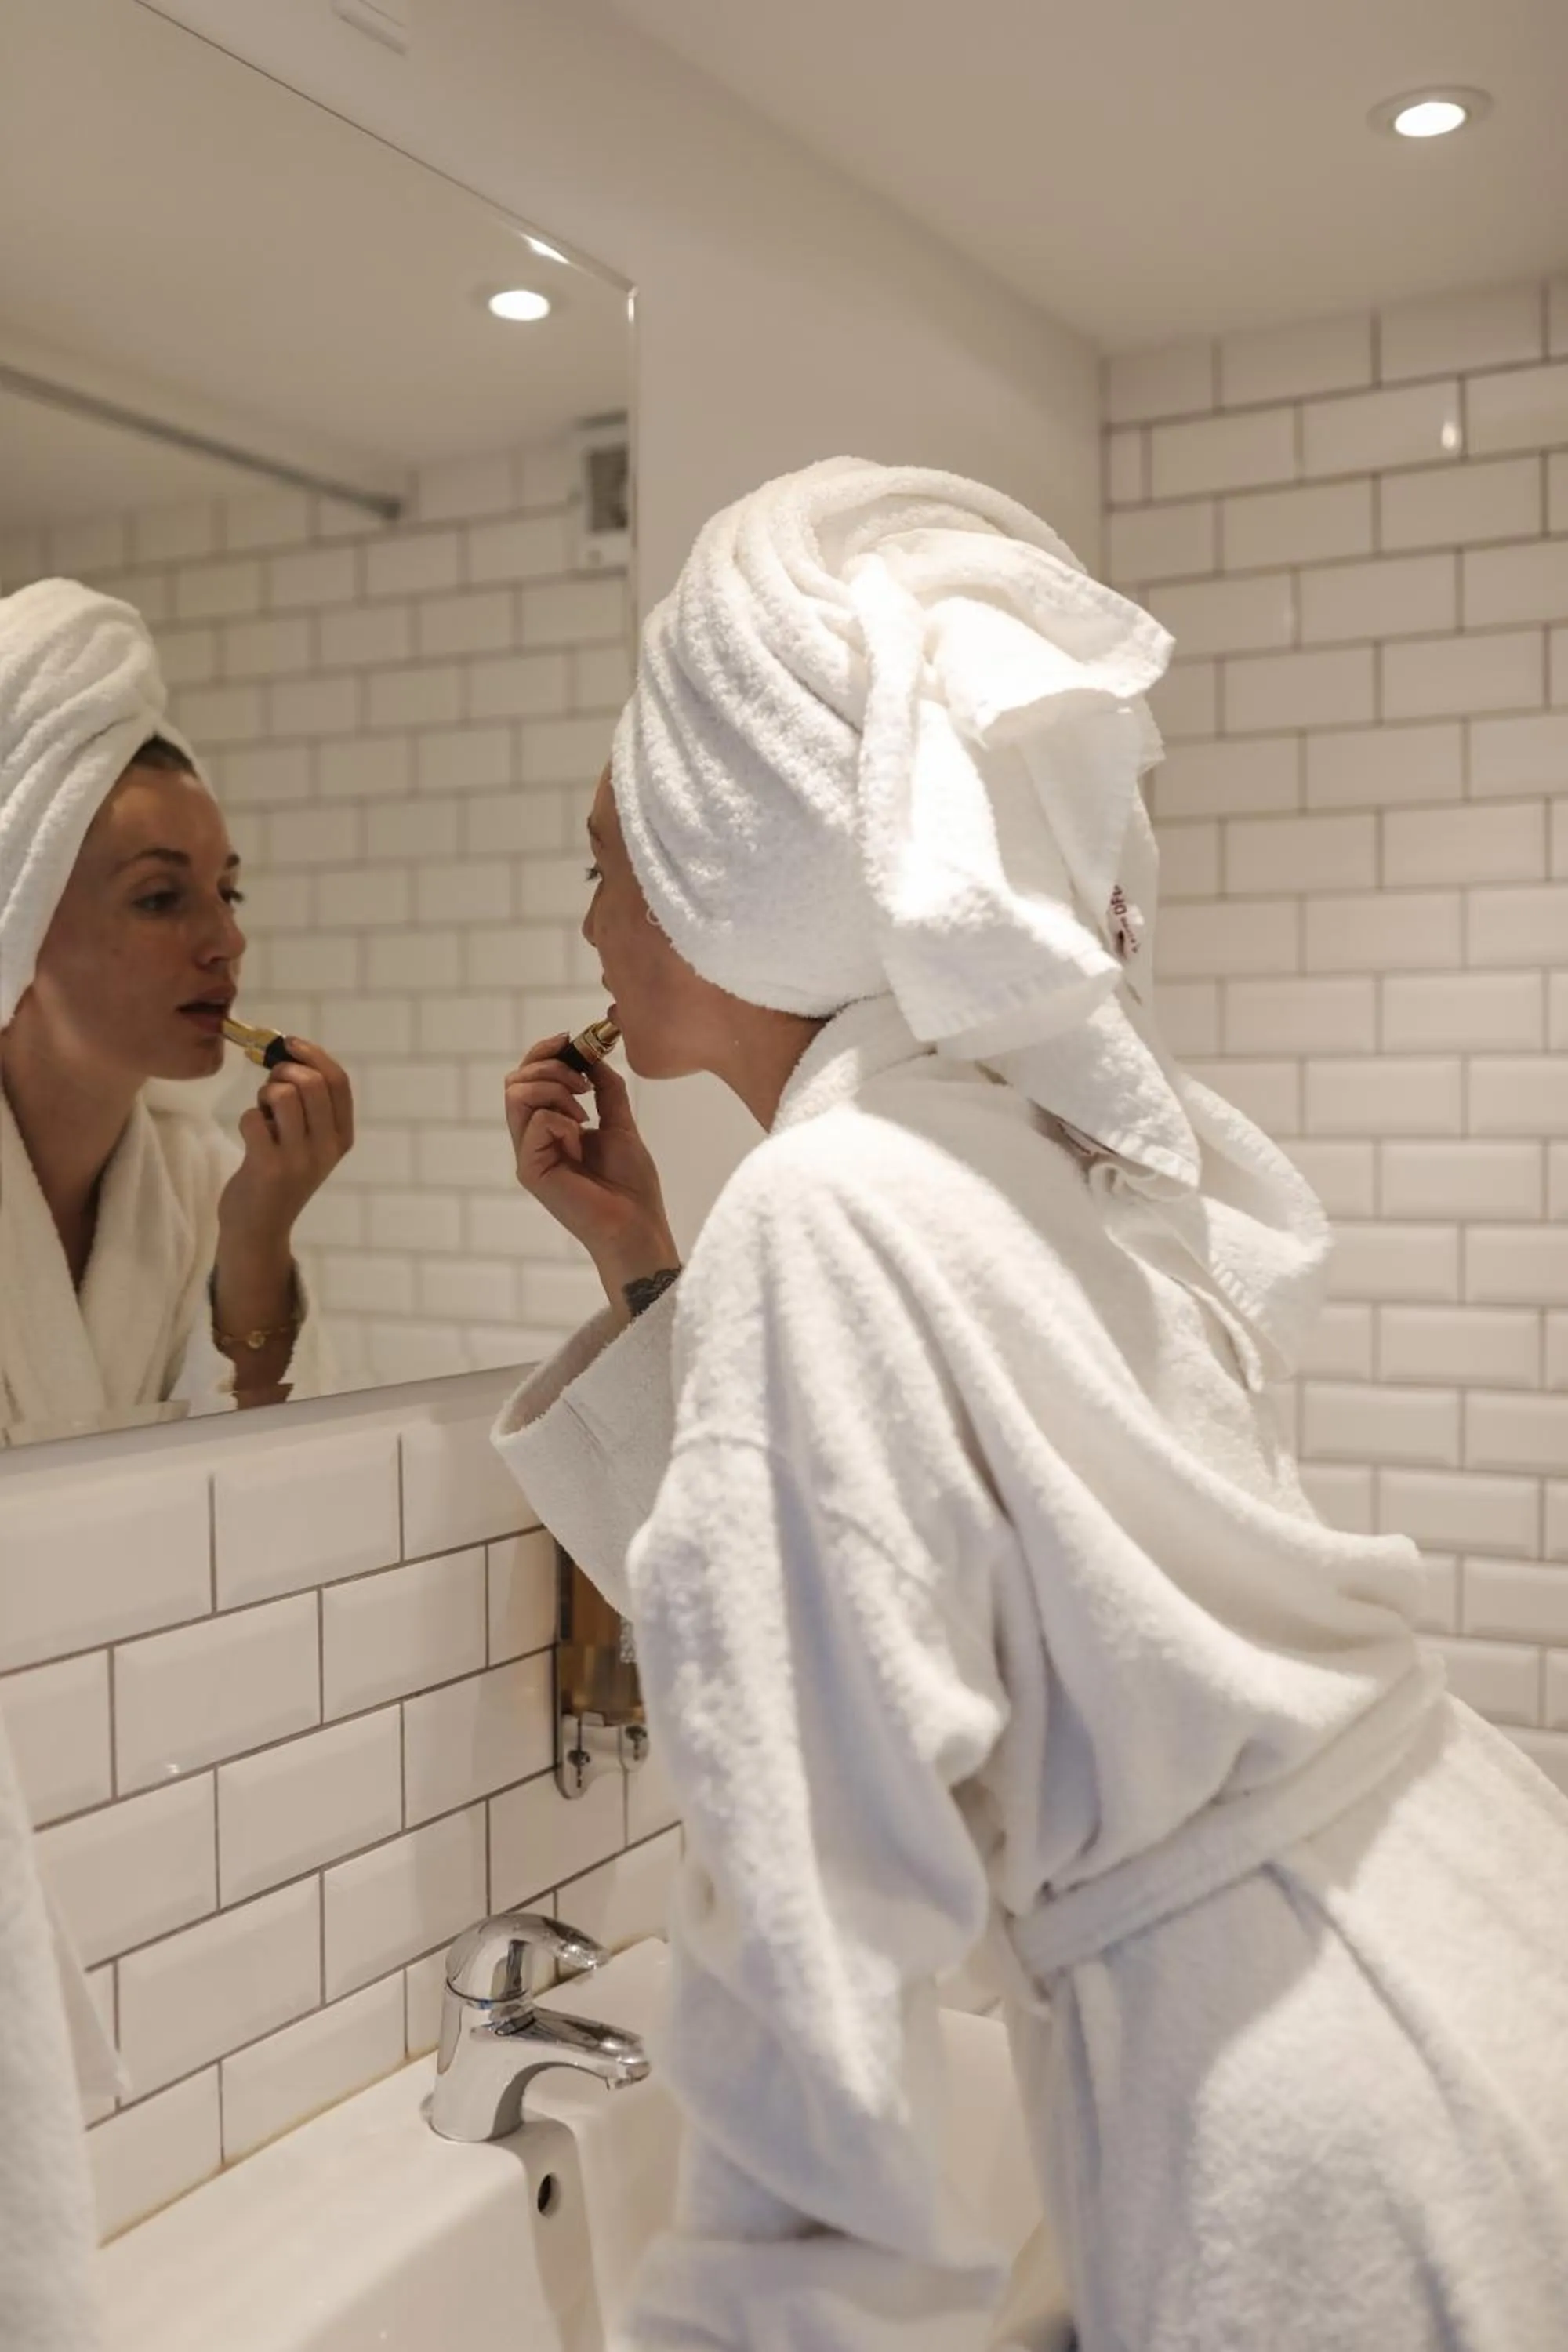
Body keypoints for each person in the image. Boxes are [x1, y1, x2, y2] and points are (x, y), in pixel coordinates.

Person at [493, 459, 1568, 2352]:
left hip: (1302, 2093)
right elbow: (948, 1579)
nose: (585, 913)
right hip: (1459, 1928)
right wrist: (655, 1273)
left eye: (608, 851)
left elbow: (807, 1938)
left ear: (726, 857)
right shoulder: (1001, 1135)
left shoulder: (830, 1206)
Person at [0, 577, 350, 1443]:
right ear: (20, 919)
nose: (225, 940)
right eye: (159, 898)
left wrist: (258, 1238)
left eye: (228, 891)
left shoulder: (197, 1179)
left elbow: (269, 1482)